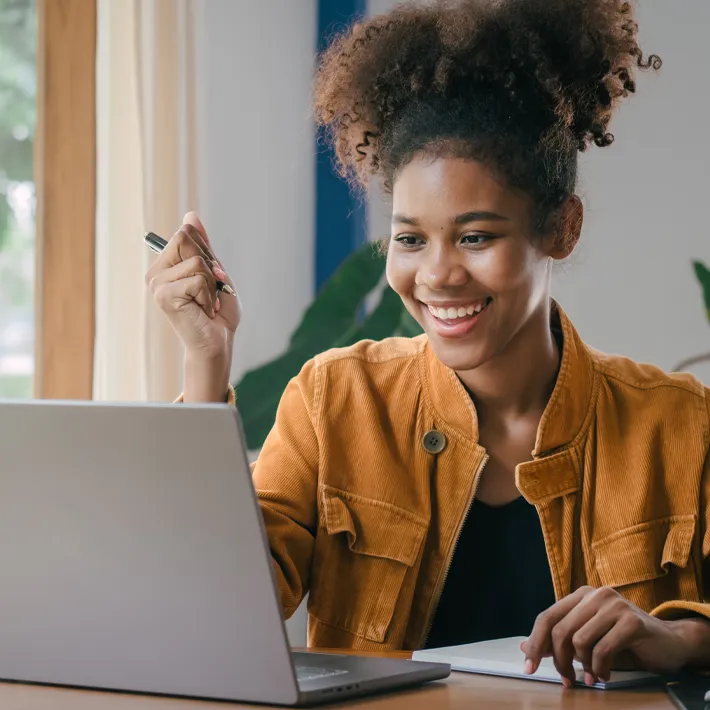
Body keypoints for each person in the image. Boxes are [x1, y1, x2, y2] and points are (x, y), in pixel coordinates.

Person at [145, 0, 710, 689]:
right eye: (411, 238)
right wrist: (206, 361)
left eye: (475, 236)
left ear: (561, 228)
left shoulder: (680, 423)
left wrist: (678, 637)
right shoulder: (335, 402)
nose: (437, 275)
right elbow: (207, 615)